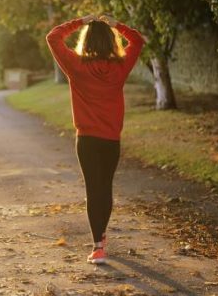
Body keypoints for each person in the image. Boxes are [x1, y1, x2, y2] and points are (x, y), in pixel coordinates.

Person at [46, 14, 145, 264]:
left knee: (94, 189)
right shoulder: (120, 67)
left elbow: (53, 37)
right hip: (111, 140)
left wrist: (80, 21)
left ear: (86, 41)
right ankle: (101, 237)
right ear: (111, 41)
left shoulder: (76, 66)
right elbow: (138, 40)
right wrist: (116, 24)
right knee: (105, 188)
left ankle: (98, 246)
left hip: (87, 140)